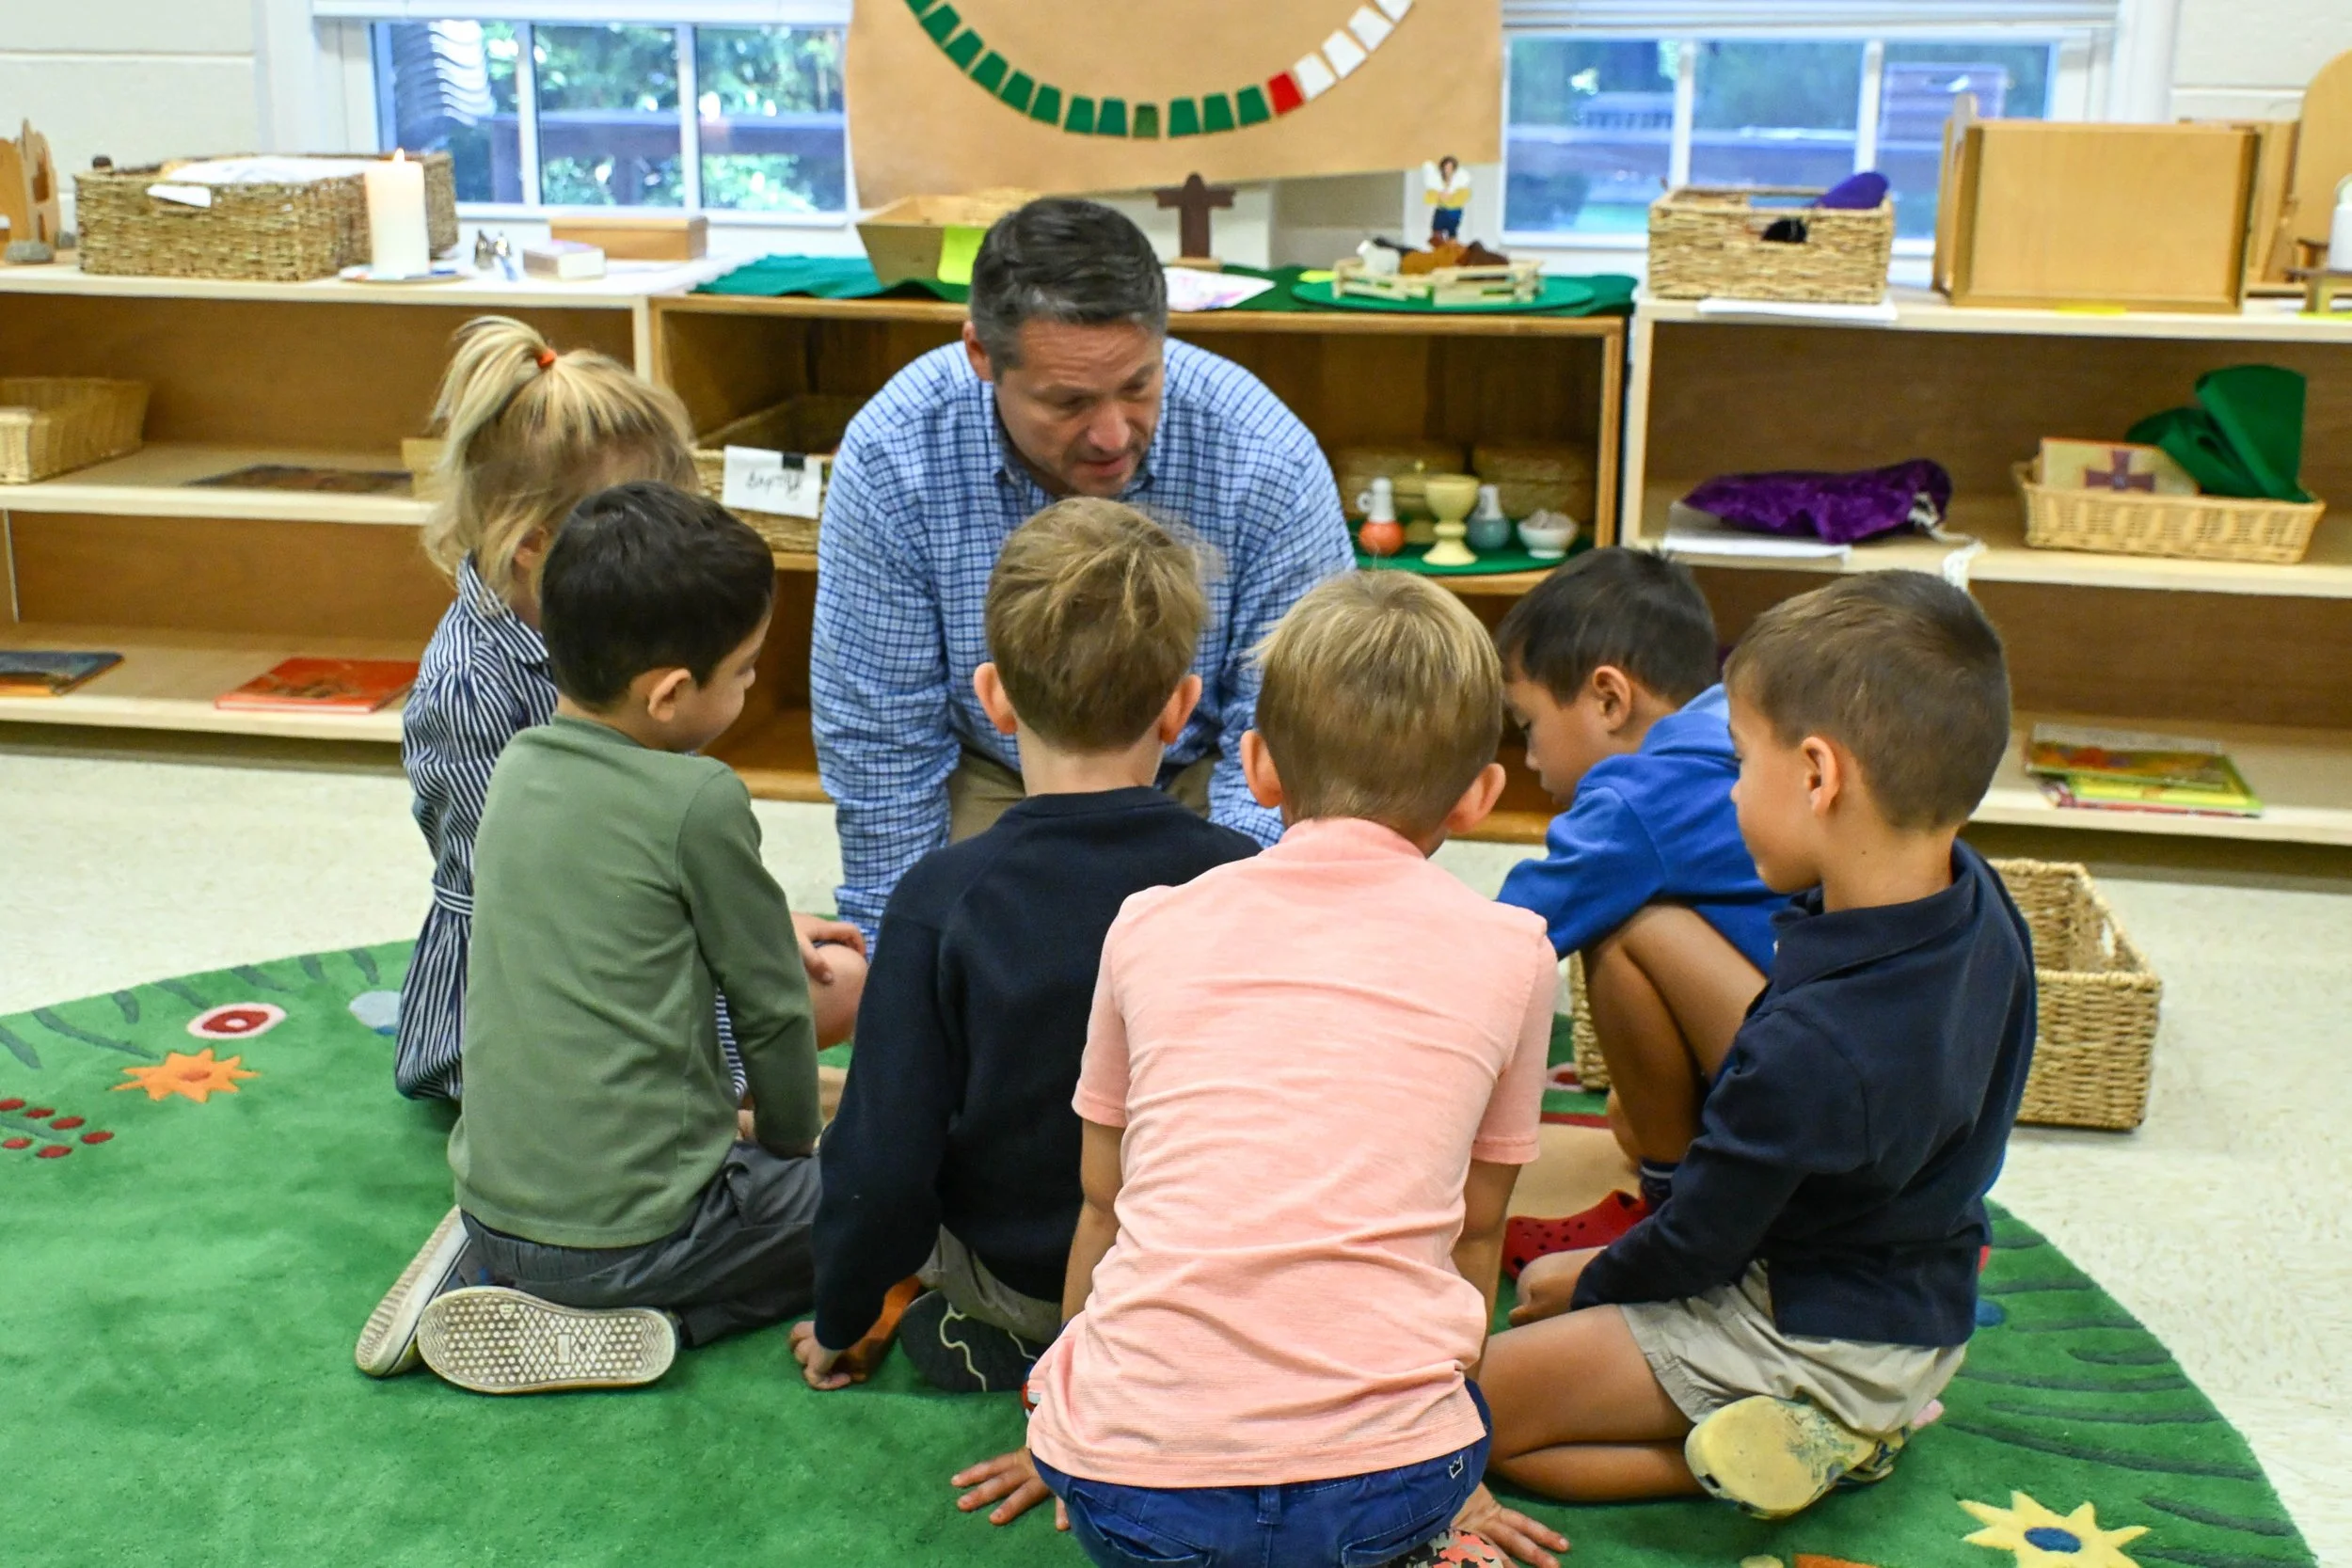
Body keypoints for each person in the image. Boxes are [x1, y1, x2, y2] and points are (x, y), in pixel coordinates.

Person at [976, 573, 1570, 1568]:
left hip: (1131, 1489)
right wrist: (1456, 1481)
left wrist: (1066, 1427)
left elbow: (1103, 1206)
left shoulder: (1147, 924)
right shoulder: (1518, 954)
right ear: (1478, 797)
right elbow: (1475, 1231)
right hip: (1389, 1489)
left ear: (1254, 767)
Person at [1472, 570, 2035, 1521]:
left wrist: (1592, 1278)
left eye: (1738, 760)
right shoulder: (1975, 895)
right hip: (1924, 1316)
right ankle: (1836, 1419)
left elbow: (1696, 1245)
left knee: (1458, 1411)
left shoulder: (1813, 1050)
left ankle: (1822, 1436)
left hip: (1804, 1330)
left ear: (1817, 774)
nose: (1728, 789)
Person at [359, 483, 836, 1394]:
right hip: (639, 1239)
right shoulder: (699, 800)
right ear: (668, 693)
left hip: (491, 1203)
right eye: (742, 671)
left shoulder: (512, 769)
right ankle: (645, 1316)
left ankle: (489, 1265)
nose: (748, 687)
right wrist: (788, 1150)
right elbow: (773, 1010)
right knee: (878, 1200)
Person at [790, 499, 1259, 1401]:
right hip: (1200, 1284)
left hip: (1025, 1284)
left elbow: (881, 1168)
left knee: (848, 1136)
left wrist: (841, 1316)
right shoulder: (1246, 880)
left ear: (994, 696)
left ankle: (983, 1338)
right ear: (1181, 706)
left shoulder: (939, 900)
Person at [811, 197, 1354, 943]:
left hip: (1196, 774)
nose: (1110, 433)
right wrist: (899, 944)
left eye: (1137, 385)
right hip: (1001, 769)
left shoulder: (1263, 455)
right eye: (1067, 401)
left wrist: (1234, 932)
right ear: (981, 356)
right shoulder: (892, 456)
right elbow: (879, 738)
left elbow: (1291, 726)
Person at [392, 315, 862, 1104]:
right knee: (806, 1000)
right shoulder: (469, 688)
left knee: (843, 975)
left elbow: (670, 830)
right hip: (543, 991)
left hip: (646, 934)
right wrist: (727, 946)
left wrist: (754, 918)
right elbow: (535, 911)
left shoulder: (625, 632)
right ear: (535, 546)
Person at [1487, 550, 1787, 1264]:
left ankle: (1677, 1224)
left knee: (1622, 927)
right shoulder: (1732, 729)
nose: (1528, 757)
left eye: (1527, 725)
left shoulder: (1639, 796)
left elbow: (1509, 937)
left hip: (1797, 1085)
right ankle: (1695, 1185)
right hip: (1842, 1077)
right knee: (1633, 1118)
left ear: (1609, 699)